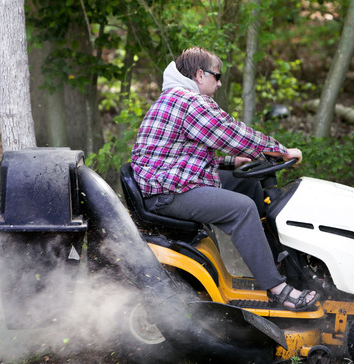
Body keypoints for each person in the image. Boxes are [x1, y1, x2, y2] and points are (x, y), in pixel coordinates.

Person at [131, 47, 319, 311]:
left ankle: (278, 261)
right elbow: (233, 134)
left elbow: (180, 157)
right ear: (199, 75)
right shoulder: (189, 102)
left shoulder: (175, 97)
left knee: (248, 182)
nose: (219, 83)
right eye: (216, 76)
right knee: (242, 209)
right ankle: (277, 289)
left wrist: (232, 162)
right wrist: (282, 151)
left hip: (168, 183)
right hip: (167, 194)